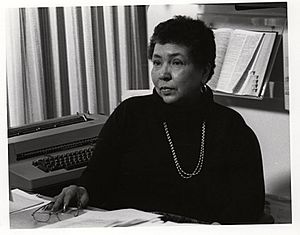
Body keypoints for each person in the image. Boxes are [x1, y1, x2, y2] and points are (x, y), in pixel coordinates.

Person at [50, 15, 265, 225]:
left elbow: (246, 208)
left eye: (176, 63)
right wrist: (82, 189)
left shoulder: (231, 128)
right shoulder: (129, 114)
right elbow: (96, 178)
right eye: (157, 62)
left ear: (204, 71)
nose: (163, 74)